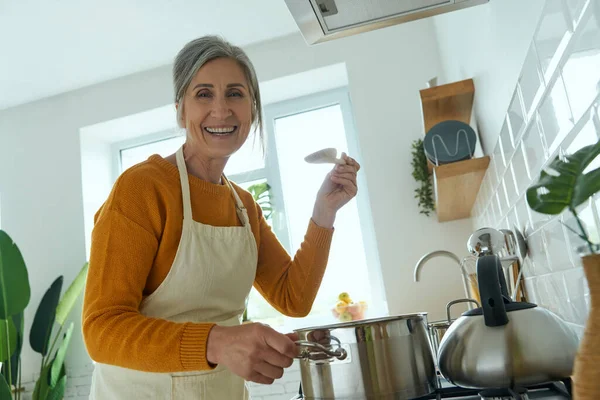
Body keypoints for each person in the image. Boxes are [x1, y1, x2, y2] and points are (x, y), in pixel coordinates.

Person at [82, 35, 361, 399]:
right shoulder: (141, 190)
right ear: (181, 110)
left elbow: (293, 298)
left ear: (253, 109)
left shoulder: (243, 206)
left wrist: (324, 212)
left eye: (235, 93)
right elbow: (102, 330)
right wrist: (217, 342)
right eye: (203, 94)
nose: (221, 109)